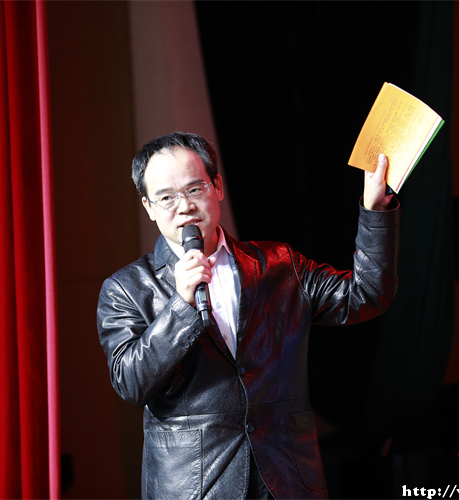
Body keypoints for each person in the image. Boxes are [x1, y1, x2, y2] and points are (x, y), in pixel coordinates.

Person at [96, 131, 400, 499]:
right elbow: (130, 383)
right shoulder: (127, 288)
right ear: (149, 207)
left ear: (217, 187)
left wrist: (375, 211)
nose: (185, 206)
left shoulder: (279, 264)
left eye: (194, 189)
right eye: (167, 197)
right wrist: (181, 305)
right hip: (195, 487)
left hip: (287, 479)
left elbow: (366, 295)